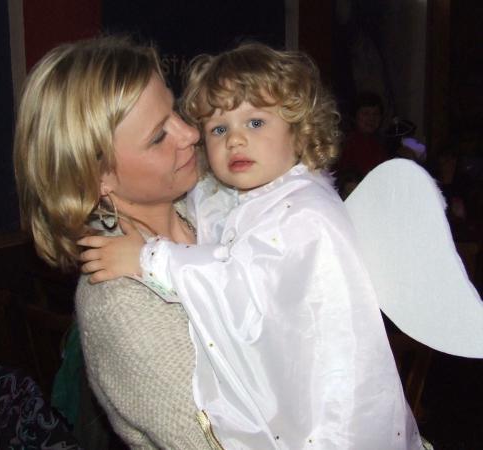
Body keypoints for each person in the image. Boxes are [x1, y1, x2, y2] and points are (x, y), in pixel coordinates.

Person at [80, 43, 425, 449]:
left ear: (300, 129)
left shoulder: (302, 214)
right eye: (218, 129)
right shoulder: (121, 303)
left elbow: (237, 286)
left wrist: (148, 258)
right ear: (99, 175)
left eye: (256, 122)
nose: (233, 140)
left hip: (332, 421)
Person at [13, 36, 213, 449]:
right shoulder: (121, 306)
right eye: (158, 137)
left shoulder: (206, 205)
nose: (191, 133)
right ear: (97, 176)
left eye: (174, 110)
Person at [336, 91, 389, 197]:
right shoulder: (347, 143)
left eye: (376, 114)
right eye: (366, 113)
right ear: (355, 116)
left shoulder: (381, 143)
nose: (371, 119)